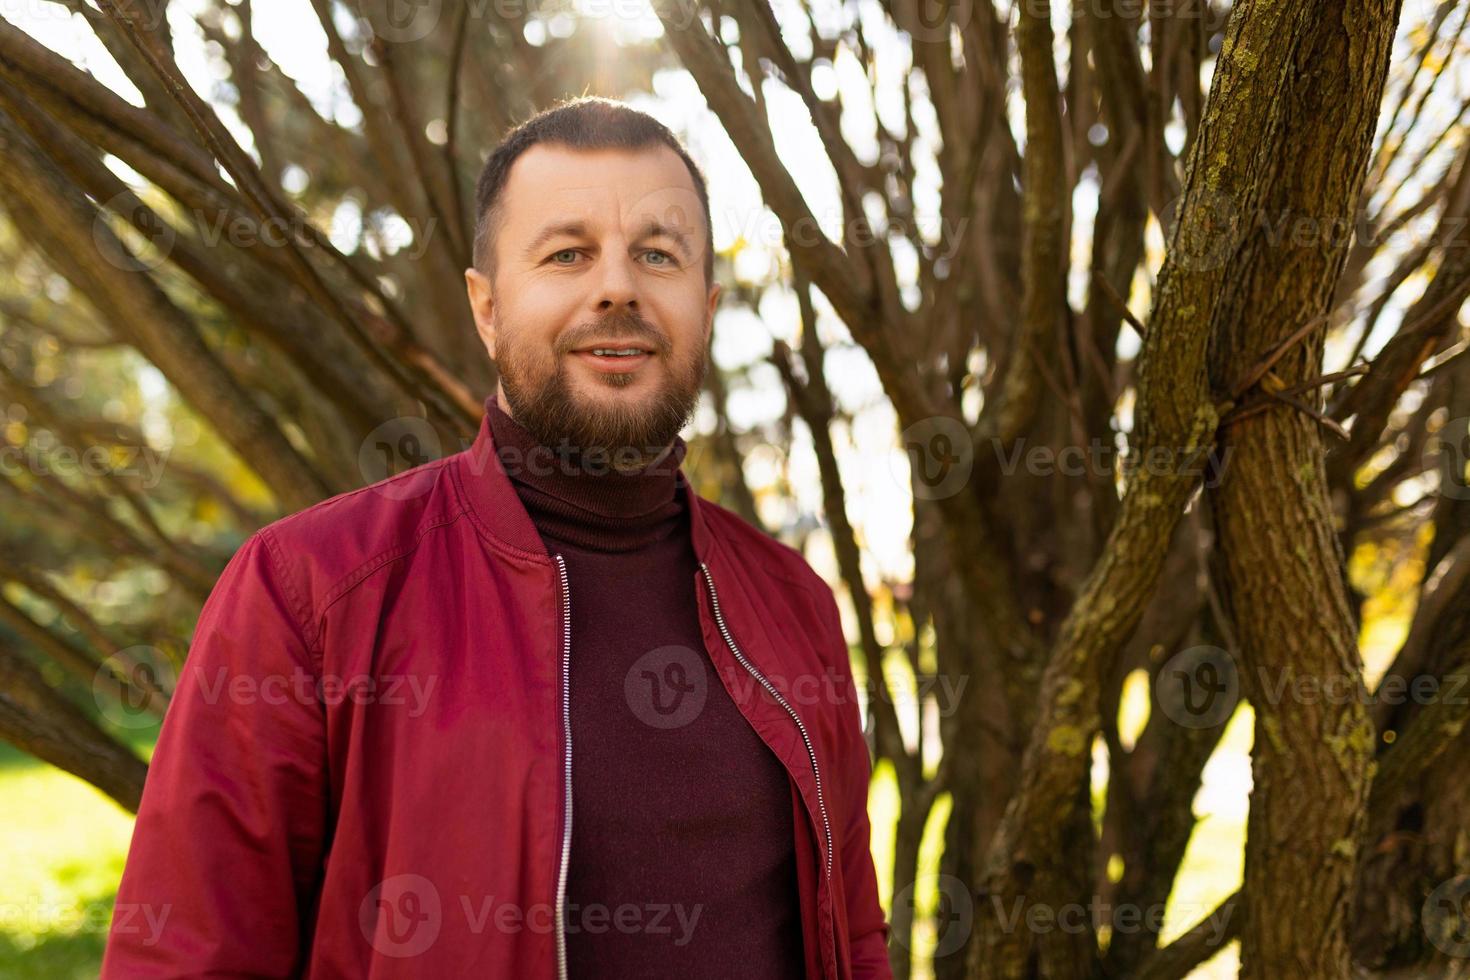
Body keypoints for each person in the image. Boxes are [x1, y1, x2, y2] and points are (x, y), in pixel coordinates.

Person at [101, 96, 892, 979]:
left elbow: (853, 937)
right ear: (487, 308)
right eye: (568, 253)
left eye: (657, 255)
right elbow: (184, 957)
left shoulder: (794, 603)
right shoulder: (310, 593)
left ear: (703, 306)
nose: (618, 287)